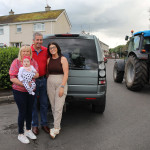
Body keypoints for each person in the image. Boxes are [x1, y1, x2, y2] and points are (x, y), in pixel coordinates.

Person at [9, 45, 39, 144]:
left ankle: (28, 130)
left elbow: (37, 74)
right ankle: (21, 134)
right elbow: (12, 77)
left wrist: (29, 73)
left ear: (30, 53)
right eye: (24, 51)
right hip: (19, 91)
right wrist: (25, 84)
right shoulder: (16, 62)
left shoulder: (33, 62)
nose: (25, 53)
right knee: (22, 111)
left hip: (31, 91)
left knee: (29, 111)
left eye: (27, 51)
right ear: (20, 52)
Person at [47, 42, 69, 139]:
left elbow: (66, 74)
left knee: (58, 107)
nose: (52, 49)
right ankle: (56, 125)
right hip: (50, 83)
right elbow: (47, 72)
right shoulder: (48, 60)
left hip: (60, 82)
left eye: (53, 47)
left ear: (57, 48)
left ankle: (56, 128)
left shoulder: (63, 59)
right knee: (53, 105)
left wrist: (62, 87)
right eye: (50, 48)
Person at [31, 32, 49, 135]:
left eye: (40, 40)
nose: (39, 42)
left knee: (44, 104)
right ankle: (34, 125)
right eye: (37, 40)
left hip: (43, 80)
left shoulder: (46, 50)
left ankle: (44, 124)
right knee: (33, 105)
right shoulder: (29, 51)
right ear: (33, 40)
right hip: (32, 81)